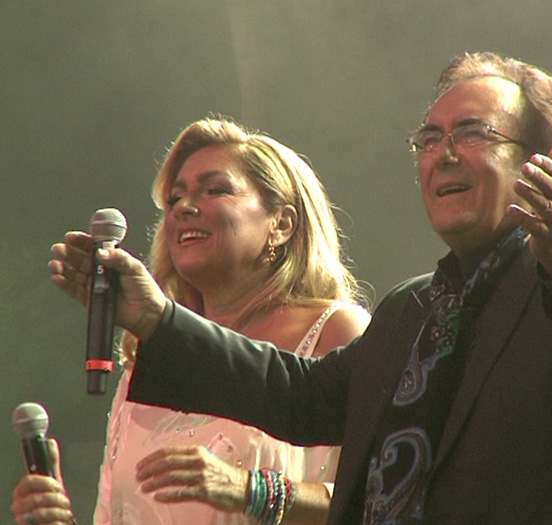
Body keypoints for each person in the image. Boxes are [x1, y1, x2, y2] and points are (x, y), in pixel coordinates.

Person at [42, 51, 552, 523]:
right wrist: (156, 319)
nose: (443, 153)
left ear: (546, 162)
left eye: (472, 133)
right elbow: (298, 392)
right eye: (429, 139)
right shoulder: (414, 310)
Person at [11, 117, 371, 525]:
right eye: (175, 198)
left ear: (282, 224)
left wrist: (247, 488)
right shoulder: (152, 353)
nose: (184, 206)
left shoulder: (335, 331)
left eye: (215, 189)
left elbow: (376, 497)